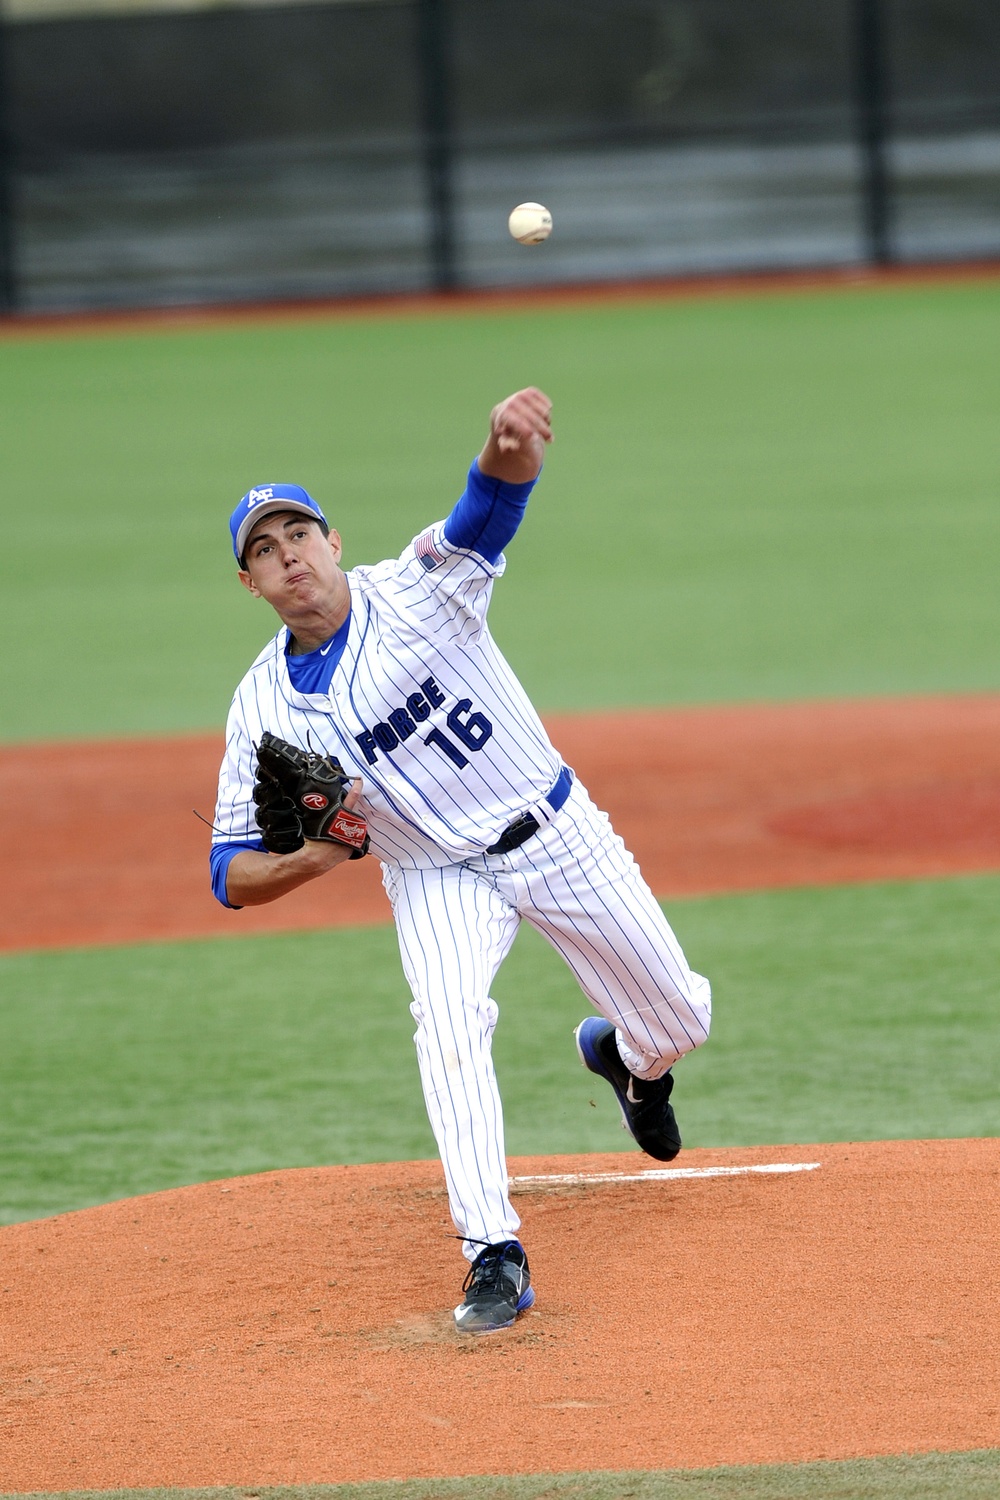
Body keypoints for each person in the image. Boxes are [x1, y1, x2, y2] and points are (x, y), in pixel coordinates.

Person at [210, 387, 712, 1334]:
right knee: (446, 1028)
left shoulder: (419, 584)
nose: (289, 560)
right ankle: (494, 1251)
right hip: (433, 876)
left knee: (680, 1016)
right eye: (265, 553)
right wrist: (317, 856)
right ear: (252, 584)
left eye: (298, 536)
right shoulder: (258, 708)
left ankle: (632, 1062)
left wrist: (506, 447)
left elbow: (490, 509)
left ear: (331, 537)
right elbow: (228, 872)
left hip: (554, 828)